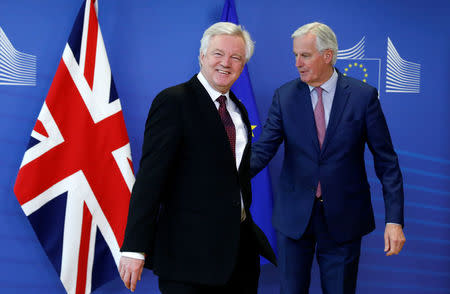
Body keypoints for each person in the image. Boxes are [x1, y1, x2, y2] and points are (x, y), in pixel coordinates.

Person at [118, 22, 276, 294]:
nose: (226, 62)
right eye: (218, 54)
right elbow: (150, 179)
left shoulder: (238, 111)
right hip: (188, 260)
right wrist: (134, 247)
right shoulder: (173, 102)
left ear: (243, 64)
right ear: (202, 56)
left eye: (236, 57)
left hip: (239, 258)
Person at [250, 22, 405, 294]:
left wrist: (394, 220)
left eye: (305, 55)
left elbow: (387, 162)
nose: (297, 63)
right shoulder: (284, 97)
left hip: (344, 218)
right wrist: (224, 175)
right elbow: (263, 150)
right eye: (295, 55)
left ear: (328, 55)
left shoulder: (362, 97)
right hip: (294, 218)